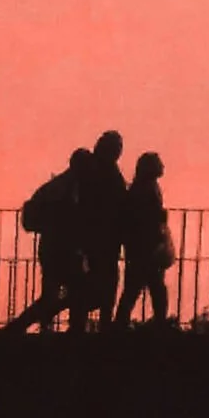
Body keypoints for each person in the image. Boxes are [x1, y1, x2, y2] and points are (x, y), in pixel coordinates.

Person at [4, 150, 91, 334]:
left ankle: (27, 326)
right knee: (77, 291)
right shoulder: (71, 189)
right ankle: (73, 330)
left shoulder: (57, 185)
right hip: (64, 250)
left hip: (51, 248)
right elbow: (71, 220)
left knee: (54, 294)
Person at [110, 152, 173, 330]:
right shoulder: (145, 189)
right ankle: (156, 323)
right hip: (146, 247)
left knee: (137, 288)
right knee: (151, 288)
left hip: (141, 247)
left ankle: (122, 323)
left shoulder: (142, 187)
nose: (162, 167)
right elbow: (146, 219)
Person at [78, 131, 129, 331]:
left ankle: (83, 322)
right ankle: (103, 324)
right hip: (105, 238)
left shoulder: (95, 169)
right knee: (106, 284)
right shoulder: (107, 172)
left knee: (96, 282)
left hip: (97, 237)